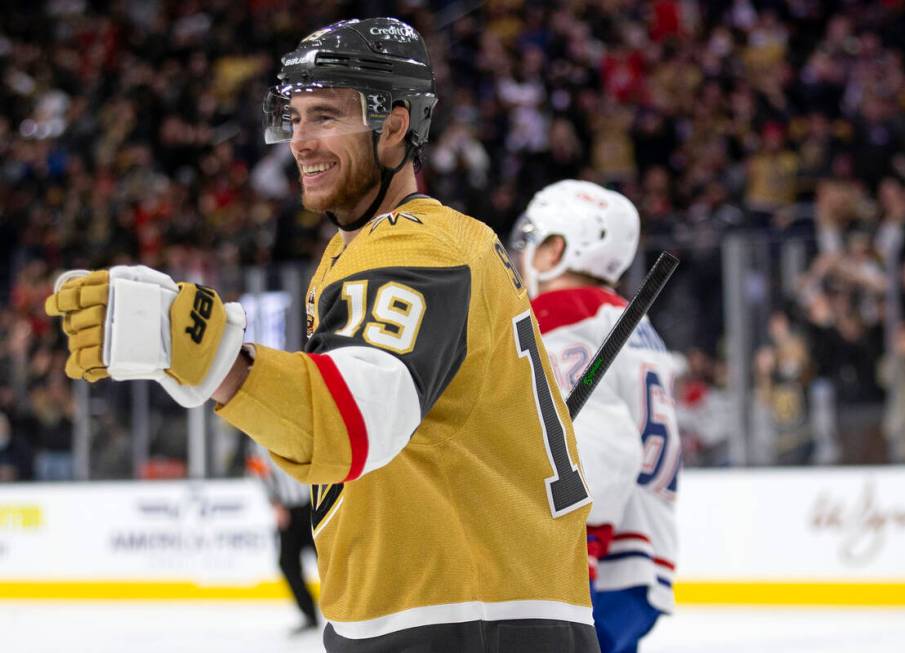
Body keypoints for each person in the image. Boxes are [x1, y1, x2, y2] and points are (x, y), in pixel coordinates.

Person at [43, 18, 600, 653]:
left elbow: (347, 422)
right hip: (455, 608)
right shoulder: (367, 249)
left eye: (326, 116)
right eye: (296, 117)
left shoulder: (416, 245)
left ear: (394, 127)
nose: (300, 141)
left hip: (460, 617)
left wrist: (208, 356)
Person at [511, 180, 681, 653]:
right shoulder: (629, 323)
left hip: (596, 563)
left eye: (531, 242)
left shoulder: (559, 318)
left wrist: (584, 546)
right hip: (638, 559)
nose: (521, 255)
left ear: (556, 250)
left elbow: (599, 440)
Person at [246, 442, 319, 635]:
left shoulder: (297, 428)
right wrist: (275, 504)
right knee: (287, 563)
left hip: (313, 507)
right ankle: (310, 615)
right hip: (288, 511)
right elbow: (259, 472)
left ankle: (347, 611)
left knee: (328, 561)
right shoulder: (257, 443)